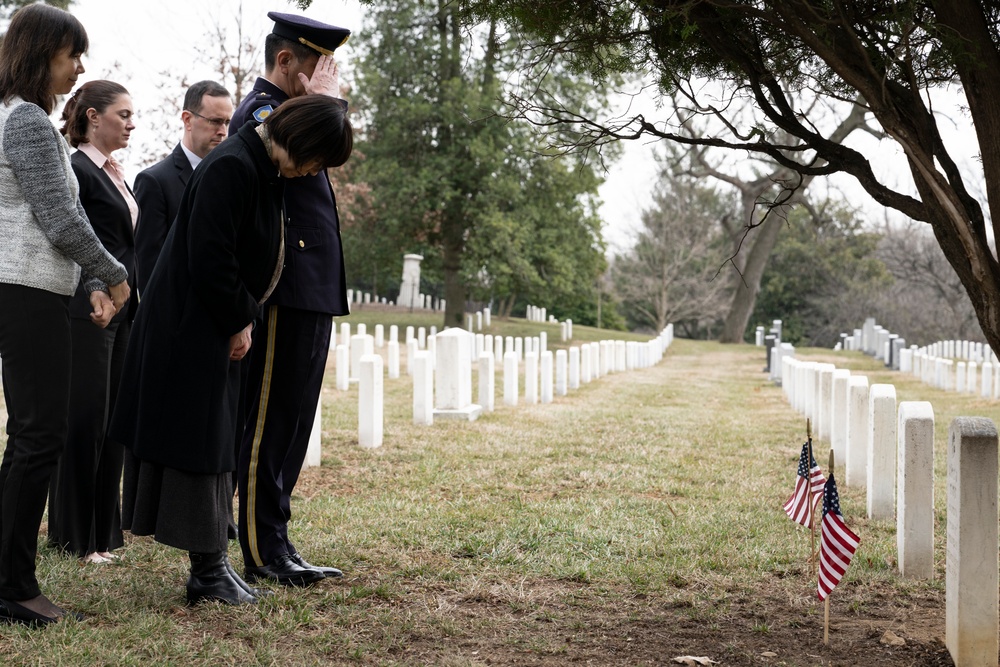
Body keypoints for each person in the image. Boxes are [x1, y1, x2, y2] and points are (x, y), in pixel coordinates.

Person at [108, 94, 353, 606]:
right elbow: (211, 255)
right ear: (301, 142)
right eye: (315, 159)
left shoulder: (258, 164)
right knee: (204, 443)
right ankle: (208, 573)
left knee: (216, 442)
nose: (311, 171)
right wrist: (240, 315)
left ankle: (214, 567)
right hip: (192, 325)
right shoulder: (235, 166)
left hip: (206, 324)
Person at [0, 4, 130, 626]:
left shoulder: (21, 117)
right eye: (69, 55)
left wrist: (87, 282)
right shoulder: (24, 119)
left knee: (31, 434)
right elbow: (59, 219)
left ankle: (9, 575)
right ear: (39, 53)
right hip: (23, 290)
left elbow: (49, 223)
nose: (78, 68)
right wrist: (114, 271)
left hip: (36, 286)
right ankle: (12, 585)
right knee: (39, 434)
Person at [233, 11, 350, 589]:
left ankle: (275, 537)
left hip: (312, 288)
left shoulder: (292, 113)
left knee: (294, 420)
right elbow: (311, 149)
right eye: (317, 68)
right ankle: (260, 548)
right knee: (269, 423)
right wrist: (331, 107)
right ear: (286, 62)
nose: (329, 79)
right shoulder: (260, 112)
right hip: (285, 288)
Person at [47, 80, 138, 565]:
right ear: (91, 116)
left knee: (112, 423)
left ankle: (103, 536)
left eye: (131, 115)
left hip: (127, 310)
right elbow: (72, 238)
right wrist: (96, 286)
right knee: (85, 421)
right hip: (89, 307)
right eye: (122, 114)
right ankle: (73, 537)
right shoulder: (77, 169)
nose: (131, 123)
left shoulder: (118, 173)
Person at [133, 80, 233, 295]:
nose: (223, 131)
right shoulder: (154, 182)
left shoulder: (233, 182)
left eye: (227, 122)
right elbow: (150, 271)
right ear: (187, 119)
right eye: (215, 121)